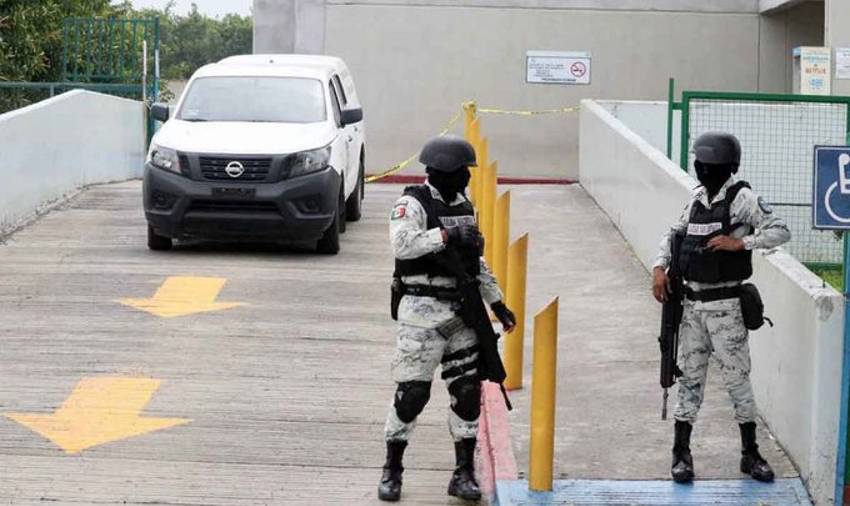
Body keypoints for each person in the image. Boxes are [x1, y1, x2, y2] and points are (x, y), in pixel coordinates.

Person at [378, 135, 516, 502]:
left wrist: (497, 301)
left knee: (468, 393)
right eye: (462, 173)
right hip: (422, 315)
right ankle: (392, 469)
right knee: (412, 395)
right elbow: (403, 245)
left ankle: (463, 472)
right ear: (444, 172)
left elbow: (475, 263)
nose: (467, 180)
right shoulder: (412, 204)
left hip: (462, 313)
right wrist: (446, 234)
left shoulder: (464, 205)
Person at [651, 131, 790, 484]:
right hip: (693, 308)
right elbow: (674, 234)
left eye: (708, 165)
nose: (702, 169)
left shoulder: (742, 198)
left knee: (737, 382)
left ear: (725, 167)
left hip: (726, 306)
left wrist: (740, 243)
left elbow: (780, 231)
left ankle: (750, 453)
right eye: (700, 163)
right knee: (690, 380)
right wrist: (659, 267)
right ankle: (681, 454)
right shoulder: (697, 197)